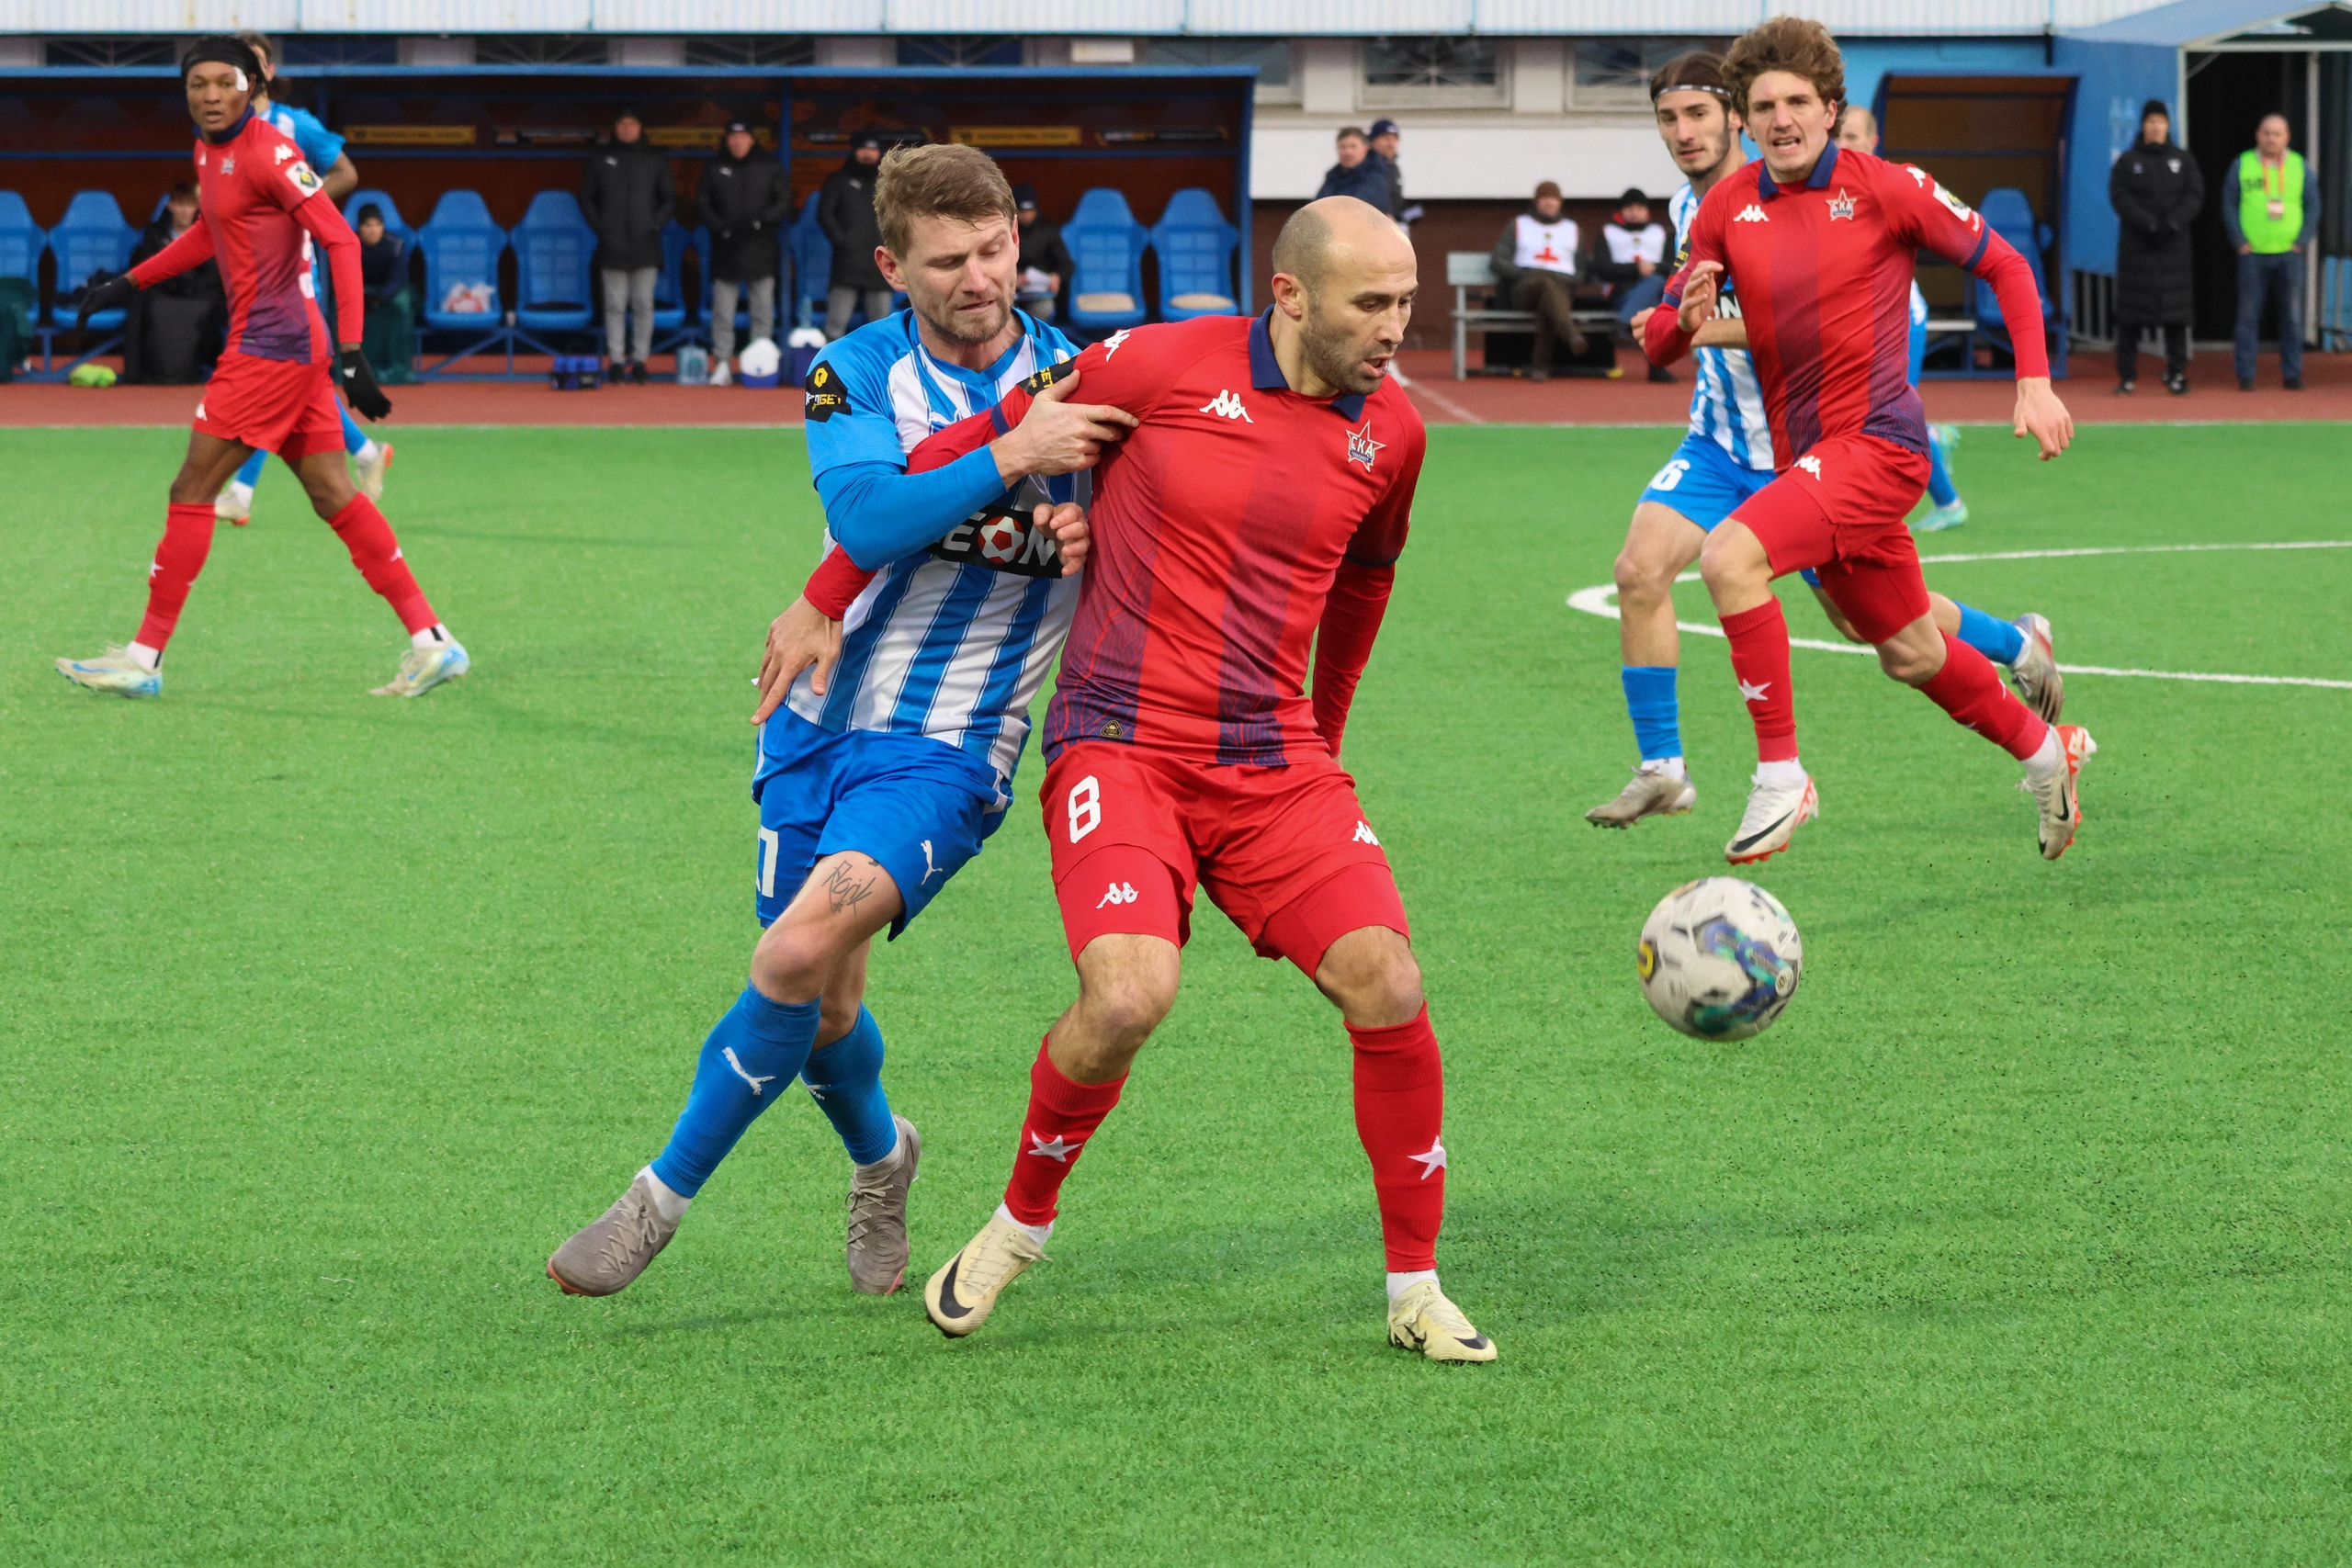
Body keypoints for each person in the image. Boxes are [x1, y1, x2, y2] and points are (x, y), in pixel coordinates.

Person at [903, 197, 1494, 1365]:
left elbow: (1363, 587)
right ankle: (1020, 1224)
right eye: (1371, 304)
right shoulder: (1157, 360)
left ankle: (1415, 1287)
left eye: (1407, 304)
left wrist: (1322, 739)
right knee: (1127, 998)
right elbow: (961, 452)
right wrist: (1046, 498)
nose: (1394, 330)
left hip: (1275, 763)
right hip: (1118, 743)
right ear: (1290, 294)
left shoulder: (1394, 438)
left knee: (1387, 980)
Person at [545, 143, 1131, 1303]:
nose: (979, 276)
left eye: (995, 247)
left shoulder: (1097, 381)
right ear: (891, 265)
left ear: (1020, 234)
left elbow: (1162, 543)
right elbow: (868, 511)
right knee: (825, 1010)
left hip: (950, 745)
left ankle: (652, 1203)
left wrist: (1094, 539)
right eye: (947, 260)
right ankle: (883, 1157)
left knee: (791, 954)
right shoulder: (850, 369)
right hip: (811, 721)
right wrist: (1014, 454)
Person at [1645, 17, 2092, 864]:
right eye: (1764, 104)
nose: (1781, 119)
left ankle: (1782, 774)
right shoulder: (1724, 210)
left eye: (1798, 103)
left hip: (1881, 445)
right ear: (1743, 116)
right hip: (1809, 456)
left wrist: (2032, 381)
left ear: (1829, 108)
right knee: (1907, 649)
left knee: (1728, 557)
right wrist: (1684, 323)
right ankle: (2046, 753)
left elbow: (2006, 264)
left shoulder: (1887, 187)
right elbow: (1664, 338)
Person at [55, 38, 466, 703]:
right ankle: (433, 641)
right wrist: (130, 282)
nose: (210, 95)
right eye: (198, 84)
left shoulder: (272, 151)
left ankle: (143, 657)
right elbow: (210, 234)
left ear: (254, 84)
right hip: (286, 347)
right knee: (336, 496)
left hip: (269, 349)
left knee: (191, 490)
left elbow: (337, 235)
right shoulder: (208, 149)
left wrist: (355, 355)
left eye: (225, 82)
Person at [213, 29, 389, 525]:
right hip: (247, 270)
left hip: (294, 270)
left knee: (272, 377)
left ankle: (241, 491)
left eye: (254, 63)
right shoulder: (224, 129)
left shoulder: (296, 124)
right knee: (299, 386)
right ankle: (368, 453)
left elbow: (346, 173)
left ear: (267, 72)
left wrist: (298, 208)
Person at [1833, 106, 1965, 529]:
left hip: (1899, 318)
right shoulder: (1824, 189)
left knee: (1893, 413)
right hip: (1858, 321)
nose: (1843, 144)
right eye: (1838, 136)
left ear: (1874, 142)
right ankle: (1934, 442)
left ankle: (1949, 503)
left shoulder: (1885, 187)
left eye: (1853, 136)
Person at [2108, 98, 2202, 396]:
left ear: (2168, 126)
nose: (2156, 126)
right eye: (2151, 121)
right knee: (2130, 319)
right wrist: (2147, 223)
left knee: (2176, 318)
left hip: (2173, 252)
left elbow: (2194, 195)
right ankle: (2127, 376)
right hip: (2137, 251)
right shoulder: (2128, 161)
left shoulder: (2183, 160)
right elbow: (2120, 197)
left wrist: (2173, 223)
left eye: (2161, 121)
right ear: (2143, 126)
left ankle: (2175, 373)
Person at [581, 107, 674, 384]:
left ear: (640, 127)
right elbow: (587, 197)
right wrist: (601, 227)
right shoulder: (600, 158)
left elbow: (668, 198)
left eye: (632, 123)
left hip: (646, 244)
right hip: (611, 245)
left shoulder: (655, 158)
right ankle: (617, 361)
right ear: (615, 128)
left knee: (643, 305)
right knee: (614, 306)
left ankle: (641, 360)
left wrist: (655, 223)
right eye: (622, 123)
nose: (627, 128)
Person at [2224, 112, 2318, 391]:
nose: (2271, 138)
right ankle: (2246, 375)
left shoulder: (2300, 167)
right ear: (2258, 135)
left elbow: (2313, 205)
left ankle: (2292, 374)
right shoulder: (2242, 164)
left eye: (2277, 134)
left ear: (2287, 137)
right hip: (2252, 255)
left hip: (2289, 254)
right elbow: (2228, 204)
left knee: (2291, 317)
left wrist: (2302, 241)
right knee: (2247, 317)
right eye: (2267, 133)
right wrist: (2239, 240)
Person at [696, 119, 788, 385]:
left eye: (742, 137)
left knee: (762, 312)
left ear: (751, 139)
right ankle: (723, 363)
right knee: (723, 313)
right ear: (727, 140)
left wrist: (763, 221)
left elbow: (783, 201)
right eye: (732, 137)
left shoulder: (769, 165)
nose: (737, 142)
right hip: (726, 251)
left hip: (761, 249)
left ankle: (760, 365)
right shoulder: (715, 167)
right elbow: (703, 203)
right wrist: (719, 226)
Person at [122, 182, 223, 384]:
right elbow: (150, 267)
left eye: (190, 205)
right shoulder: (154, 232)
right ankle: (139, 371)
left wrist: (190, 287)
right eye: (180, 205)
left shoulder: (207, 232)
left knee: (218, 302)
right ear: (170, 206)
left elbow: (212, 273)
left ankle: (204, 363)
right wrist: (175, 285)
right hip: (163, 291)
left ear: (197, 207)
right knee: (141, 301)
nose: (185, 211)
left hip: (198, 294)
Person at [1488, 180, 1586, 381]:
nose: (1549, 203)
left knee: (1548, 299)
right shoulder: (1518, 224)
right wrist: (1525, 273)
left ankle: (1540, 368)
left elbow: (1582, 269)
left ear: (1560, 202)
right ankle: (1570, 334)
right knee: (1546, 285)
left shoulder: (1572, 229)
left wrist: (1564, 278)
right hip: (1524, 288)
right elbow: (1498, 260)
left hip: (1561, 288)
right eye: (1544, 198)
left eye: (1553, 198)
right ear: (1536, 202)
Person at [818, 130, 892, 340]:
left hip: (881, 264)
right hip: (847, 264)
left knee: (882, 331)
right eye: (863, 149)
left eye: (872, 149)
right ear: (854, 151)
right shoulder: (839, 180)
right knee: (835, 327)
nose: (868, 154)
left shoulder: (889, 183)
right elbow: (825, 214)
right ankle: (834, 371)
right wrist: (842, 241)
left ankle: (880, 373)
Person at [1595, 187, 1671, 380]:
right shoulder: (1607, 232)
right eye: (1629, 208)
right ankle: (1657, 368)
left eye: (1639, 207)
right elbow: (1602, 269)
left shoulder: (1660, 233)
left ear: (1647, 210)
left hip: (1656, 292)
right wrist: (1635, 269)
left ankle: (1625, 322)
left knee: (1654, 287)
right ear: (1622, 211)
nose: (1635, 212)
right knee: (1652, 305)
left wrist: (1653, 267)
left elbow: (1675, 266)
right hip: (1621, 294)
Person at [354, 204, 414, 386]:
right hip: (360, 290)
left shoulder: (395, 245)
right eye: (368, 226)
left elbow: (399, 277)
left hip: (388, 291)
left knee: (402, 305)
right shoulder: (350, 245)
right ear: (359, 228)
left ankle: (399, 369)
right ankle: (350, 370)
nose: (373, 230)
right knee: (340, 308)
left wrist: (381, 297)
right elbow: (344, 274)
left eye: (377, 225)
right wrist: (359, 295)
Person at [1012, 183, 1072, 321]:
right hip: (1011, 292)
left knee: (1044, 308)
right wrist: (1013, 277)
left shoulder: (1047, 230)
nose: (1027, 216)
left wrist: (1056, 277)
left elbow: (1067, 265)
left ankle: (1034, 341)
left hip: (1040, 293)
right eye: (1022, 211)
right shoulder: (1005, 230)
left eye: (1030, 210)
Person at [1314, 127, 1392, 210]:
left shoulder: (1375, 176)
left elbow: (1357, 207)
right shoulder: (1332, 177)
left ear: (1365, 149)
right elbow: (1317, 207)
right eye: (1343, 147)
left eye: (1353, 146)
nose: (1348, 152)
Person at [1368, 118, 1406, 220]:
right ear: (1372, 141)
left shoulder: (1393, 167)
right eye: (1385, 138)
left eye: (1394, 138)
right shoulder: (1369, 167)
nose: (1390, 143)